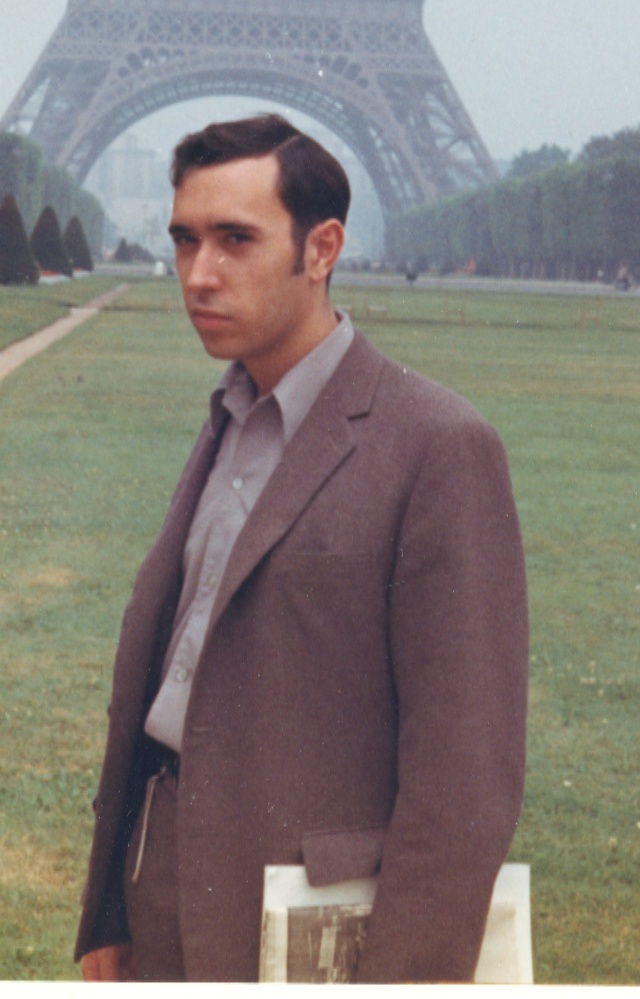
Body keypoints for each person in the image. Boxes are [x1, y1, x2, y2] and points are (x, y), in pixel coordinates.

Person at [75, 114, 528, 983]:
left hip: (307, 912)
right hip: (160, 879)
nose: (198, 274)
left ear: (322, 249)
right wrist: (113, 906)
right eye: (185, 239)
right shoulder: (231, 416)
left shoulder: (439, 446)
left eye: (235, 239)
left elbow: (464, 785)